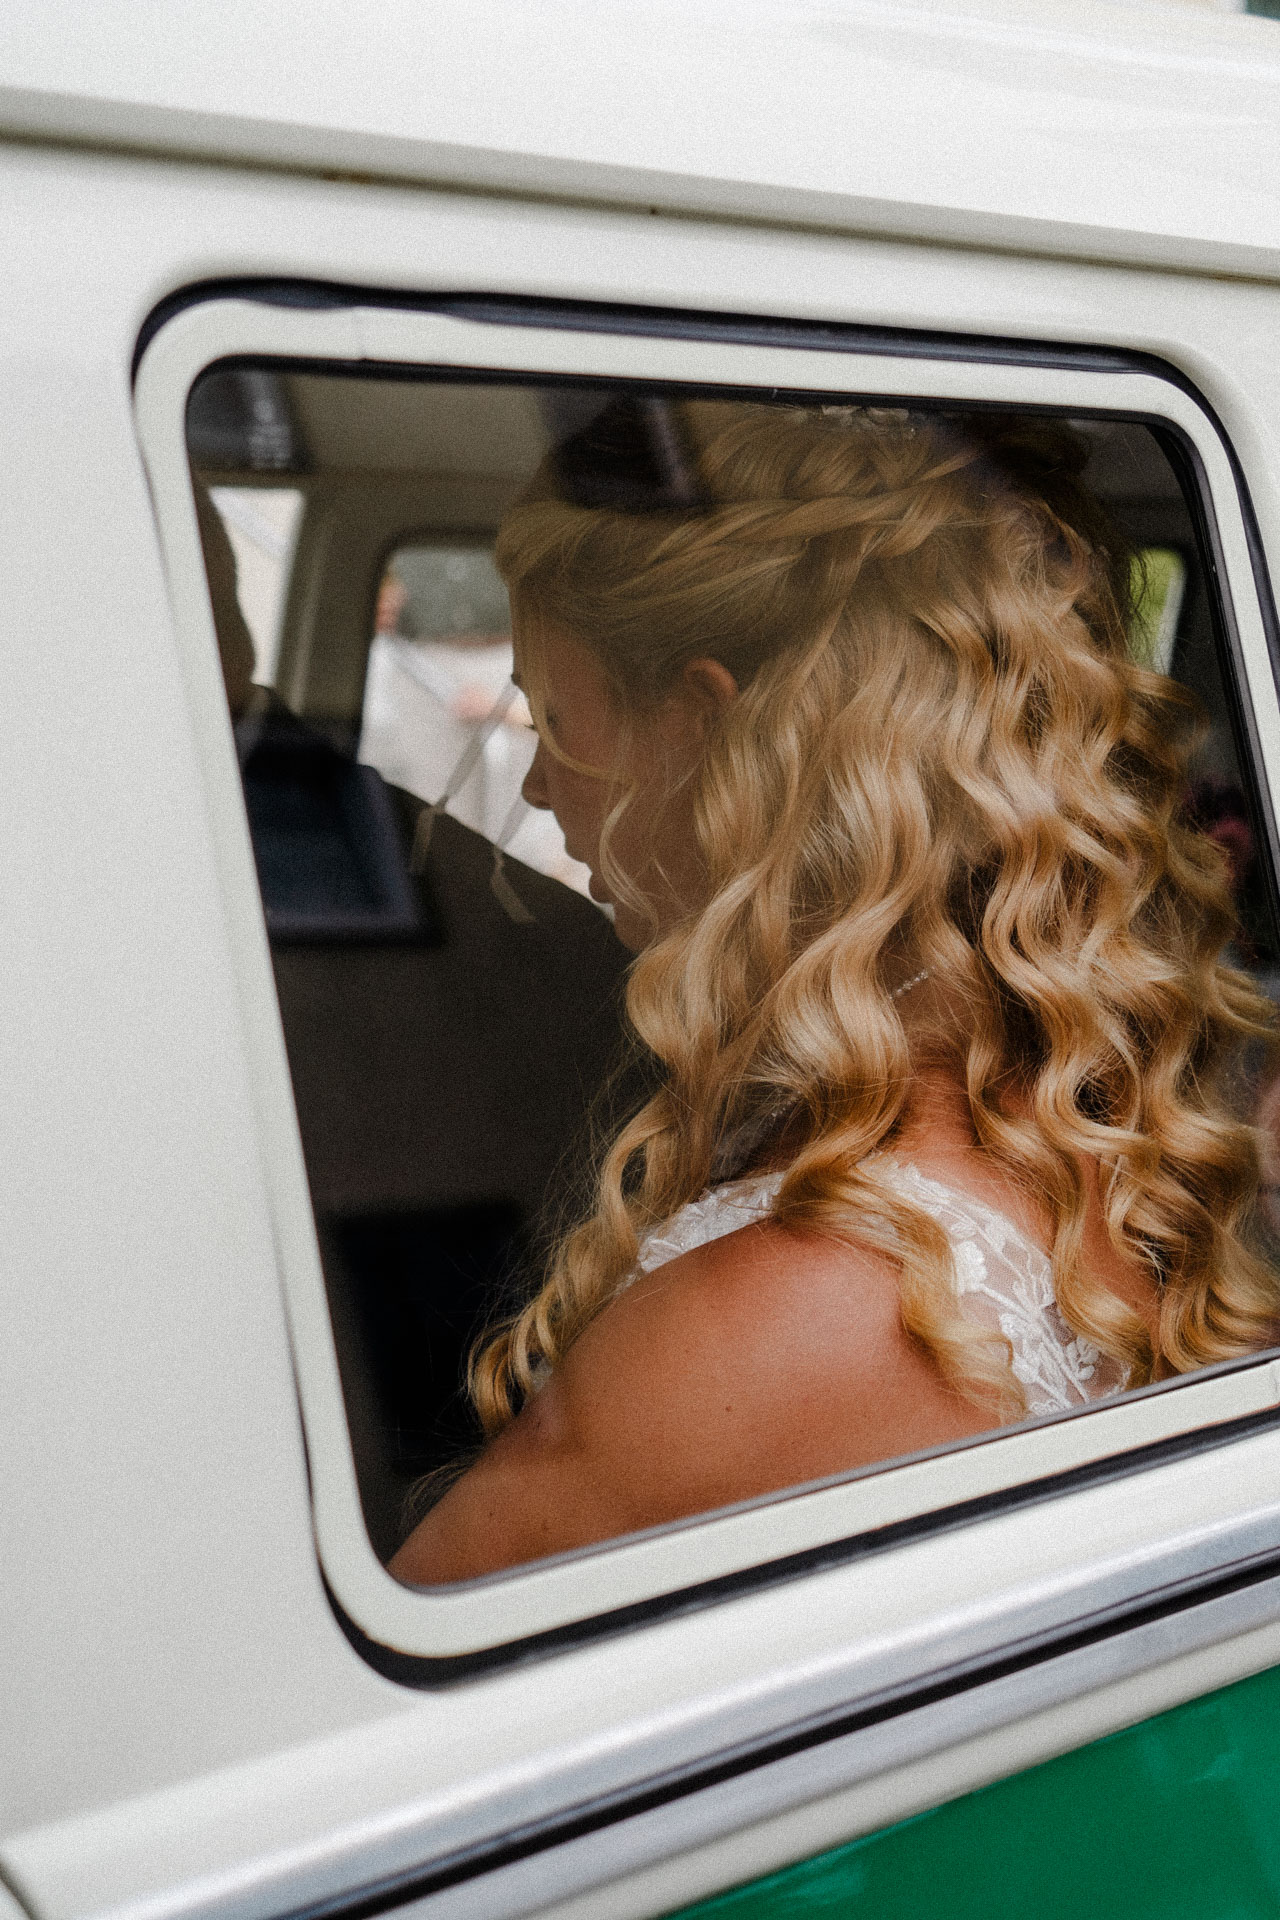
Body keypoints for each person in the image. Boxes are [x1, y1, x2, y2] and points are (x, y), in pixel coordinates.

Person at [389, 401, 1280, 1586]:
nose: (542, 784)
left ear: (707, 733)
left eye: (559, 717)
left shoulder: (771, 1319)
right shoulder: (1080, 1144)